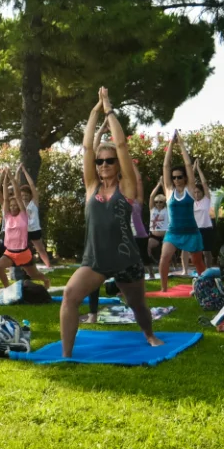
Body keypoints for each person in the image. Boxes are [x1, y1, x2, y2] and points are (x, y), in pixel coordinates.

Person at [60, 89, 162, 356]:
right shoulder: (91, 186)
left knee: (137, 305)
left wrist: (109, 110)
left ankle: (149, 334)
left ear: (117, 165)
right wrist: (94, 113)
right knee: (70, 296)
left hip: (126, 258)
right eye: (100, 161)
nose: (104, 164)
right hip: (95, 260)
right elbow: (86, 148)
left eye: (109, 161)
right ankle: (66, 355)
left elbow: (122, 146)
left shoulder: (126, 187)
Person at [157, 133, 207, 289]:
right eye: (174, 178)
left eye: (179, 177)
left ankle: (207, 286)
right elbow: (165, 166)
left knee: (198, 262)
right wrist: (171, 144)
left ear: (185, 178)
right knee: (164, 258)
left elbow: (188, 164)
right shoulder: (169, 190)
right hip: (173, 232)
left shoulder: (190, 189)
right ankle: (164, 289)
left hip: (191, 232)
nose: (176, 180)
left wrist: (181, 144)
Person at [0, 164, 44, 289]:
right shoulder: (7, 215)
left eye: (16, 205)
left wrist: (11, 176)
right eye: (11, 206)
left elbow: (16, 192)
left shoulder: (23, 215)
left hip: (23, 252)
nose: (13, 207)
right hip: (10, 252)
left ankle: (45, 280)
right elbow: (4, 196)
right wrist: (4, 176)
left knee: (33, 275)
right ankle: (7, 289)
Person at [19, 167, 53, 268]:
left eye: (26, 195)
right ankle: (20, 266)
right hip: (24, 230)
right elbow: (16, 187)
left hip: (35, 229)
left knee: (40, 249)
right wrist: (17, 172)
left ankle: (48, 265)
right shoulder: (19, 204)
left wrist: (25, 172)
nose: (24, 197)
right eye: (22, 195)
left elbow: (32, 185)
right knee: (20, 248)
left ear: (30, 195)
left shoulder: (34, 203)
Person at [145, 192, 169, 274]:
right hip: (154, 236)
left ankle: (174, 266)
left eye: (160, 202)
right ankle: (151, 271)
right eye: (156, 202)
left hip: (166, 235)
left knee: (168, 253)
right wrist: (159, 184)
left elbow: (168, 196)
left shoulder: (167, 210)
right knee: (147, 247)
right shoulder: (152, 210)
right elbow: (151, 196)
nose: (158, 204)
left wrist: (163, 184)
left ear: (164, 203)